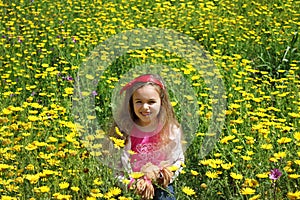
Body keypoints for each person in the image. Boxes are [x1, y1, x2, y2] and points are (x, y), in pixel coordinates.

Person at [111, 74, 185, 200]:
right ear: (131, 103)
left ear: (162, 103)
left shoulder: (170, 130)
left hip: (161, 182)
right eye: (139, 102)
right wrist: (131, 184)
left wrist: (163, 176)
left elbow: (178, 160)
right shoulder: (124, 131)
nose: (145, 107)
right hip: (133, 184)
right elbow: (116, 167)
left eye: (151, 102)